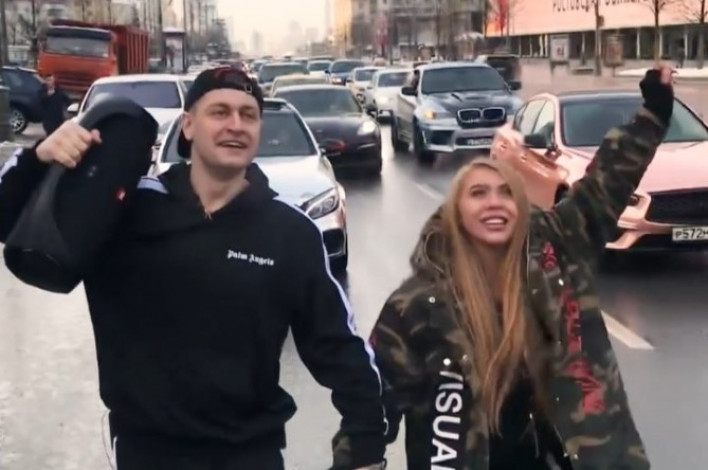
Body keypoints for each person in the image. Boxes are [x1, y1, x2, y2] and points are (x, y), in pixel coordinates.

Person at [0, 66, 387, 470]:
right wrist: (38, 158)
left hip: (249, 454)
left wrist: (366, 445)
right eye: (219, 112)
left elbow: (338, 346)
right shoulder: (123, 211)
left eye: (248, 115)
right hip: (145, 453)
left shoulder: (290, 234)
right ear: (188, 125)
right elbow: (13, 223)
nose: (235, 125)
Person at [369, 65, 674, 470]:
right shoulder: (415, 305)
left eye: (506, 193)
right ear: (456, 213)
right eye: (478, 193)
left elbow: (607, 181)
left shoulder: (558, 248)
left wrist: (653, 116)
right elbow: (372, 400)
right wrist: (360, 456)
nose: (494, 203)